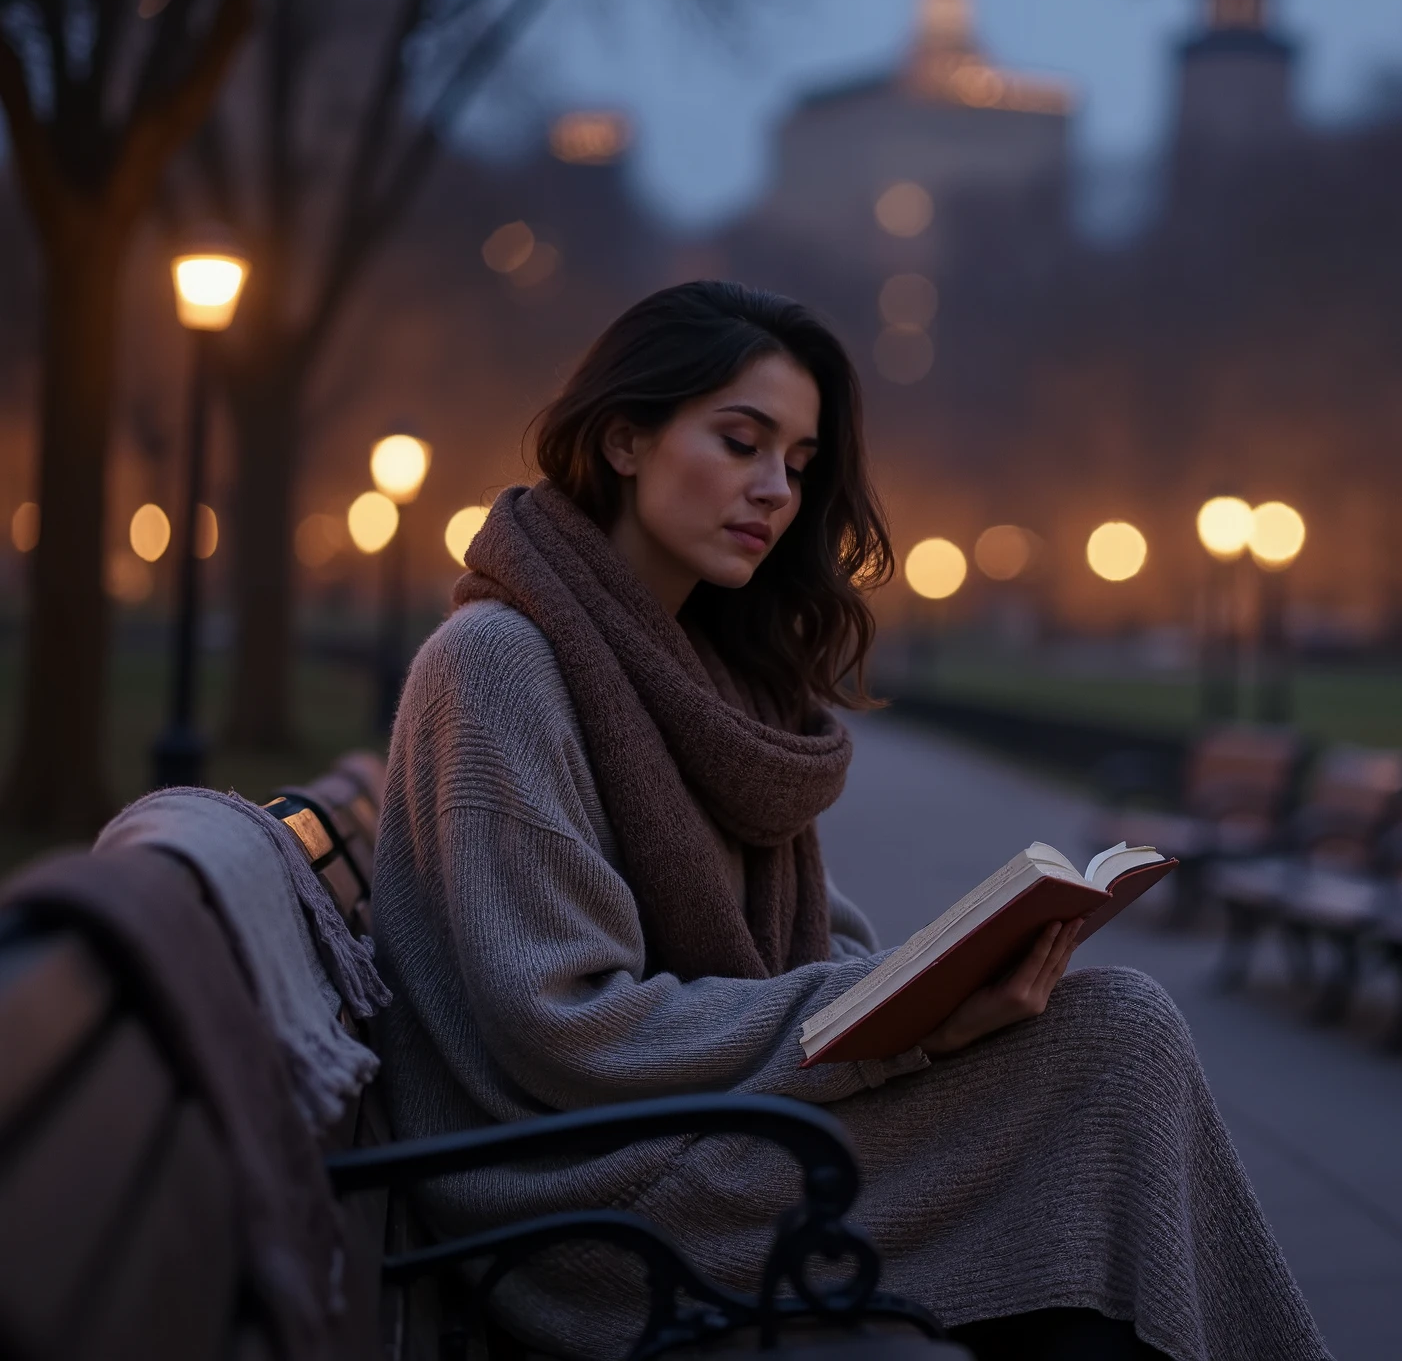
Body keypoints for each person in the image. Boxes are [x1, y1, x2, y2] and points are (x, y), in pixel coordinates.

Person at [373, 282, 1330, 1361]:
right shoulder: (499, 663)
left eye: (797, 462)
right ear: (624, 439)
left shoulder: (703, 675)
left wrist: (946, 986)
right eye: (740, 442)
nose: (774, 490)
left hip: (692, 1139)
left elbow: (820, 946)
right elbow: (568, 1026)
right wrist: (883, 1026)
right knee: (1112, 1049)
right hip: (576, 1198)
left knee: (1097, 1056)